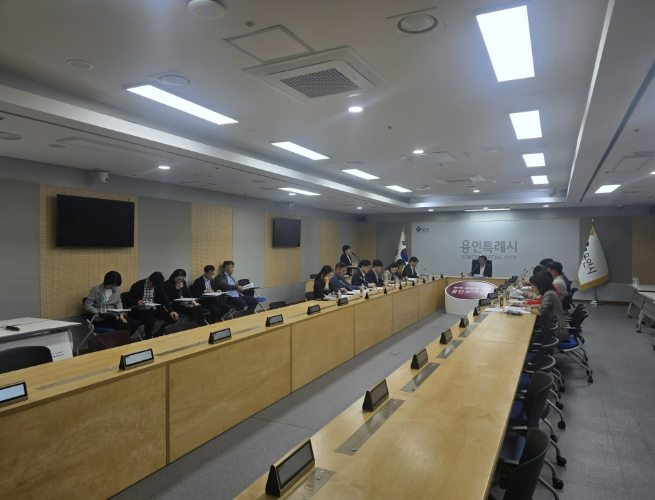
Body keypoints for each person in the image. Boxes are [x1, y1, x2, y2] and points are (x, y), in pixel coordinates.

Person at [125, 272, 178, 339]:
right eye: (151, 285)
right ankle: (148, 338)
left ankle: (157, 335)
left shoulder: (158, 286)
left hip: (152, 309)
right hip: (139, 311)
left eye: (154, 286)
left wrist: (171, 311)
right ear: (149, 279)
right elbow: (128, 299)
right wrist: (137, 302)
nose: (152, 287)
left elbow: (164, 298)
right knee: (150, 319)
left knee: (173, 317)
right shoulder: (138, 285)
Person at [84, 271, 139, 335]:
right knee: (126, 327)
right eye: (111, 285)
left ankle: (123, 340)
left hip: (113, 316)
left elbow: (118, 302)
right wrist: (96, 311)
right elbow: (87, 304)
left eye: (115, 285)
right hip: (100, 318)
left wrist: (121, 315)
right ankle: (122, 341)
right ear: (106, 282)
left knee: (135, 324)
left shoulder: (116, 289)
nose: (113, 287)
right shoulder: (96, 290)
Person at [522, 272, 568, 341]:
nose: (532, 288)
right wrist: (523, 305)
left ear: (540, 287)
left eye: (533, 286)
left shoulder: (549, 294)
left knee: (523, 336)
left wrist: (530, 309)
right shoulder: (549, 292)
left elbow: (540, 312)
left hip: (555, 333)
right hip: (550, 329)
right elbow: (541, 305)